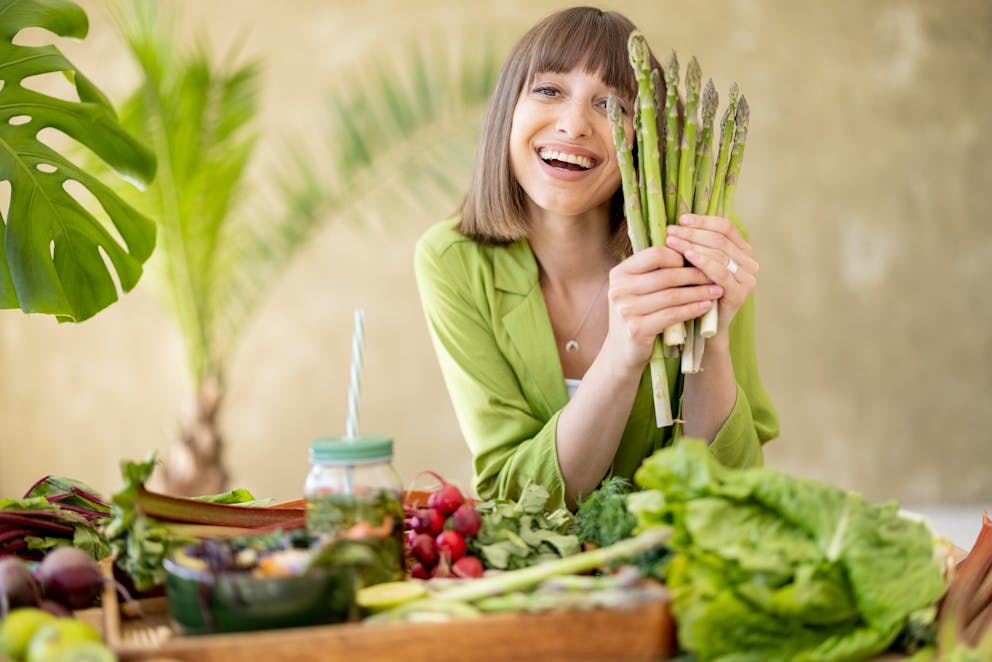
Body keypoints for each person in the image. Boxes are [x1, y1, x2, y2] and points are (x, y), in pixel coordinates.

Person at [414, 6, 778, 512]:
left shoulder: (706, 243)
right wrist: (623, 350)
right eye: (549, 90)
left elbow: (728, 493)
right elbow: (515, 499)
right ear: (507, 110)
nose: (573, 125)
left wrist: (709, 339)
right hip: (538, 582)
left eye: (612, 106)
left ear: (645, 139)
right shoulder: (453, 261)